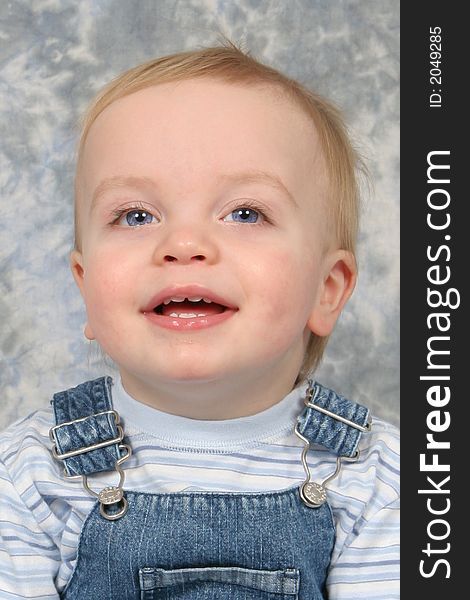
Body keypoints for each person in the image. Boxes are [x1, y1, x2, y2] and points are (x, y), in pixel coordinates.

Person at [0, 42, 399, 599]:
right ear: (86, 288)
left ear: (326, 290)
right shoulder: (30, 475)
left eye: (245, 213)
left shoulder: (379, 480)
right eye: (136, 215)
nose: (183, 244)